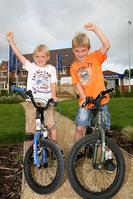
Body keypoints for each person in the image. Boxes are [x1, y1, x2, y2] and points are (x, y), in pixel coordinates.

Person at [70, 22, 115, 172]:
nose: (80, 53)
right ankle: (76, 153)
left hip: (101, 100)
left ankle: (108, 157)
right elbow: (77, 84)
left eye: (83, 50)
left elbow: (107, 44)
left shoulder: (96, 57)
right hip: (86, 102)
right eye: (77, 51)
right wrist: (83, 98)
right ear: (73, 50)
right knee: (80, 128)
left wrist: (95, 29)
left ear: (88, 49)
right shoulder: (74, 67)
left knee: (104, 130)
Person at [7, 32, 58, 145]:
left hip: (47, 102)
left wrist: (54, 96)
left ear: (48, 57)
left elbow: (53, 83)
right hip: (32, 102)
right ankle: (29, 154)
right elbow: (19, 56)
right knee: (30, 131)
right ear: (34, 57)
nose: (40, 59)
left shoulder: (51, 69)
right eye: (37, 57)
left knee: (51, 126)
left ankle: (55, 149)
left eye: (43, 56)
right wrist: (11, 42)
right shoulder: (31, 67)